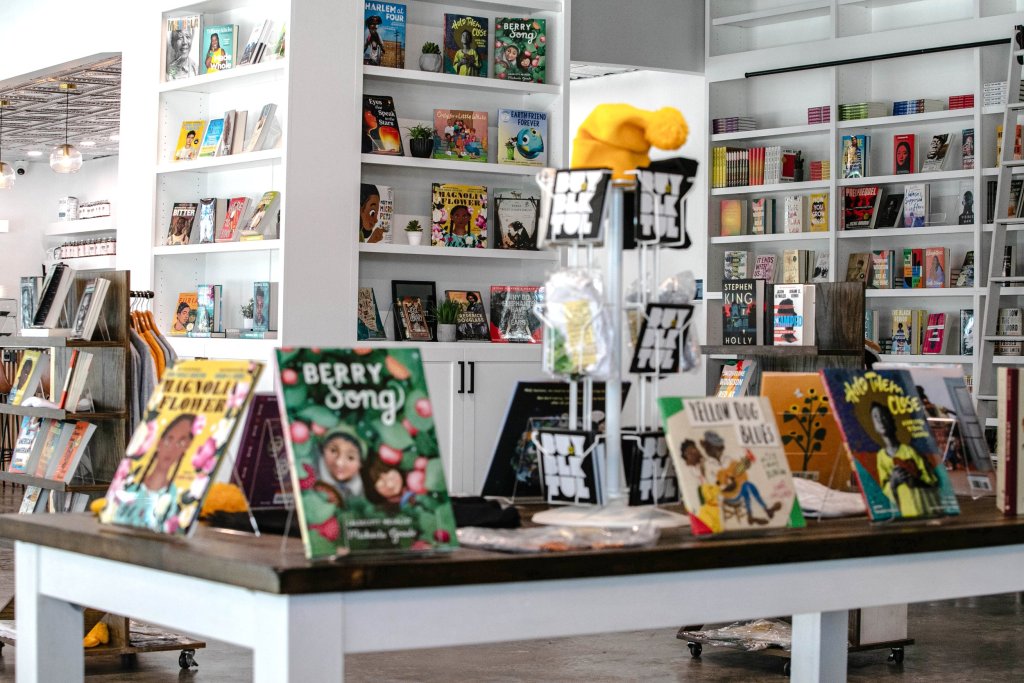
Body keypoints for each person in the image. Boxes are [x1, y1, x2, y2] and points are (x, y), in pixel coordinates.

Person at [869, 401, 940, 517]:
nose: (880, 420)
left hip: (924, 506)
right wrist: (894, 481)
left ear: (891, 420)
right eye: (875, 417)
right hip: (905, 510)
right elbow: (885, 488)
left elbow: (931, 480)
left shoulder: (909, 450)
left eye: (883, 416)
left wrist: (913, 478)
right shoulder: (881, 456)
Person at [318, 428, 365, 499]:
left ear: (360, 464)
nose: (339, 463)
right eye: (333, 450)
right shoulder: (311, 472)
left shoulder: (361, 492)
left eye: (350, 457)